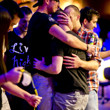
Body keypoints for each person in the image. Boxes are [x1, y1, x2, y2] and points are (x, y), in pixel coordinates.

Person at [27, 0, 96, 110]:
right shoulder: (43, 18)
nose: (59, 5)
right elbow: (67, 38)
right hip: (44, 76)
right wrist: (88, 47)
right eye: (57, 1)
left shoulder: (42, 19)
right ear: (47, 1)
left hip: (55, 80)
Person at [0, 1, 42, 110]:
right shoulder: (9, 37)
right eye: (11, 24)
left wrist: (27, 96)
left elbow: (3, 81)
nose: (10, 28)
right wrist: (6, 77)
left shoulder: (33, 38)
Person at [60, 6, 101, 110]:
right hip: (69, 88)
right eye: (64, 16)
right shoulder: (63, 34)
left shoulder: (91, 36)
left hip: (88, 85)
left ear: (77, 17)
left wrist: (80, 63)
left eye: (69, 17)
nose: (66, 20)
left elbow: (96, 64)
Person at [5, 6, 35, 110]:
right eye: (23, 22)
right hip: (10, 83)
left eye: (29, 22)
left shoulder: (32, 38)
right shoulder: (9, 36)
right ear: (18, 20)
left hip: (28, 84)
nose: (27, 25)